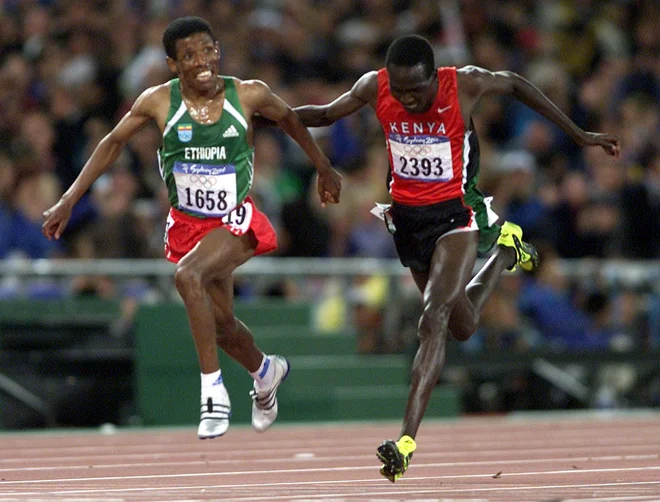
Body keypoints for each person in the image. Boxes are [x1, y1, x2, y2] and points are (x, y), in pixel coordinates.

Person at [289, 34, 620, 481]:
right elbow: (325, 114)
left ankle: (404, 443)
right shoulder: (374, 86)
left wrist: (578, 134)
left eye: (417, 91)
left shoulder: (463, 83)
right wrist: (262, 116)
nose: (408, 100)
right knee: (462, 326)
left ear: (433, 77)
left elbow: (517, 84)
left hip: (454, 217)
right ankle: (505, 252)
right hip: (407, 221)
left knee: (433, 319)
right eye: (400, 91)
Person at [41, 16, 342, 439]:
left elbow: (291, 120)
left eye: (207, 50)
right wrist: (69, 198)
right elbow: (111, 143)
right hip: (187, 224)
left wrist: (324, 169)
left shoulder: (249, 93)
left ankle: (213, 394)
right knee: (222, 327)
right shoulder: (158, 102)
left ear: (218, 51)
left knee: (188, 276)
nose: (201, 61)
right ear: (171, 63)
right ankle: (266, 370)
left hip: (234, 219)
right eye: (188, 55)